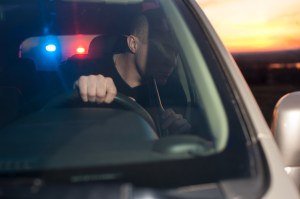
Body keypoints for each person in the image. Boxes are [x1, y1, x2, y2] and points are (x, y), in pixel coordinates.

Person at [74, 12, 191, 135]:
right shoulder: (85, 70)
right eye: (160, 49)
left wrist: (182, 132)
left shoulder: (172, 90)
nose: (172, 62)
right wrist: (83, 89)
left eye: (176, 53)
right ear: (133, 44)